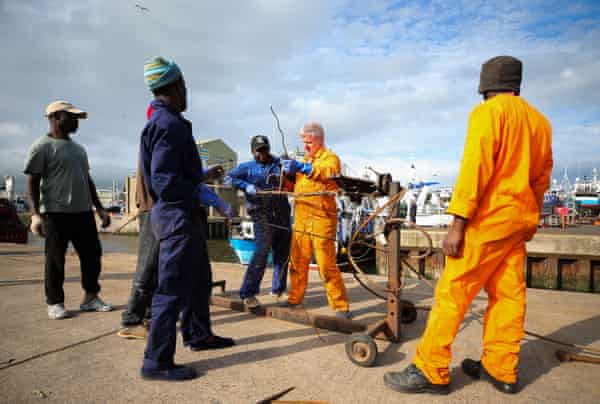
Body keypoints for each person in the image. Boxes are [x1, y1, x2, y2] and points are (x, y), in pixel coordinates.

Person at [384, 56, 553, 395]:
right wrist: (529, 220)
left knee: (453, 293)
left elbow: (475, 169)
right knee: (508, 296)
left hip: (486, 222)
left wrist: (458, 223)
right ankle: (500, 368)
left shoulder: (487, 114)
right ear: (516, 85)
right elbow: (541, 178)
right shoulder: (540, 122)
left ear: (484, 87)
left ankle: (430, 369)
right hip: (517, 222)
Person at [139, 57, 218, 381]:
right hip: (177, 218)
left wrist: (199, 177)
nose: (187, 92)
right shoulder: (168, 125)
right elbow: (164, 182)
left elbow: (170, 175)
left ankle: (199, 335)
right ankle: (156, 362)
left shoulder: (167, 121)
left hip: (183, 216)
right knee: (171, 289)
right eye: (184, 85)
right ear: (174, 86)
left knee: (200, 279)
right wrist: (196, 189)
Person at [119, 143, 234, 351]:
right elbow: (166, 179)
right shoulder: (163, 132)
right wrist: (203, 176)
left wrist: (207, 187)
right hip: (162, 210)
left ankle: (190, 332)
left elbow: (183, 179)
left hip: (181, 212)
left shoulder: (170, 132)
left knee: (193, 276)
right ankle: (135, 322)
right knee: (152, 268)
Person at [24, 100, 113, 320]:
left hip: (83, 213)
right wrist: (35, 214)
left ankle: (90, 297)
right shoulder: (41, 147)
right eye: (71, 117)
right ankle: (55, 302)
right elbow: (32, 183)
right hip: (55, 213)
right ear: (55, 117)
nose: (76, 122)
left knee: (92, 257)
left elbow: (87, 180)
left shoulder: (79, 149)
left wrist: (100, 209)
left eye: (77, 118)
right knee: (55, 260)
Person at [281, 122, 351, 319]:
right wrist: (284, 178)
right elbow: (293, 189)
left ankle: (340, 306)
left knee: (326, 264)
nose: (305, 146)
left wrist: (303, 167)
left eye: (308, 142)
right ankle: (295, 298)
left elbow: (326, 173)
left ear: (319, 139)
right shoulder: (304, 161)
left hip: (322, 218)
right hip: (302, 218)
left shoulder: (330, 159)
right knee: (297, 262)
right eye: (304, 142)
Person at [227, 135, 292, 308]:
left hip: (283, 213)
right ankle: (248, 293)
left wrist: (292, 167)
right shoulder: (246, 168)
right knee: (261, 252)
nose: (262, 153)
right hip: (261, 214)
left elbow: (293, 179)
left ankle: (278, 289)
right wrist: (245, 185)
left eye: (265, 149)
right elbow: (229, 178)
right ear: (252, 151)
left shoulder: (279, 164)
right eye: (258, 150)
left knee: (283, 254)